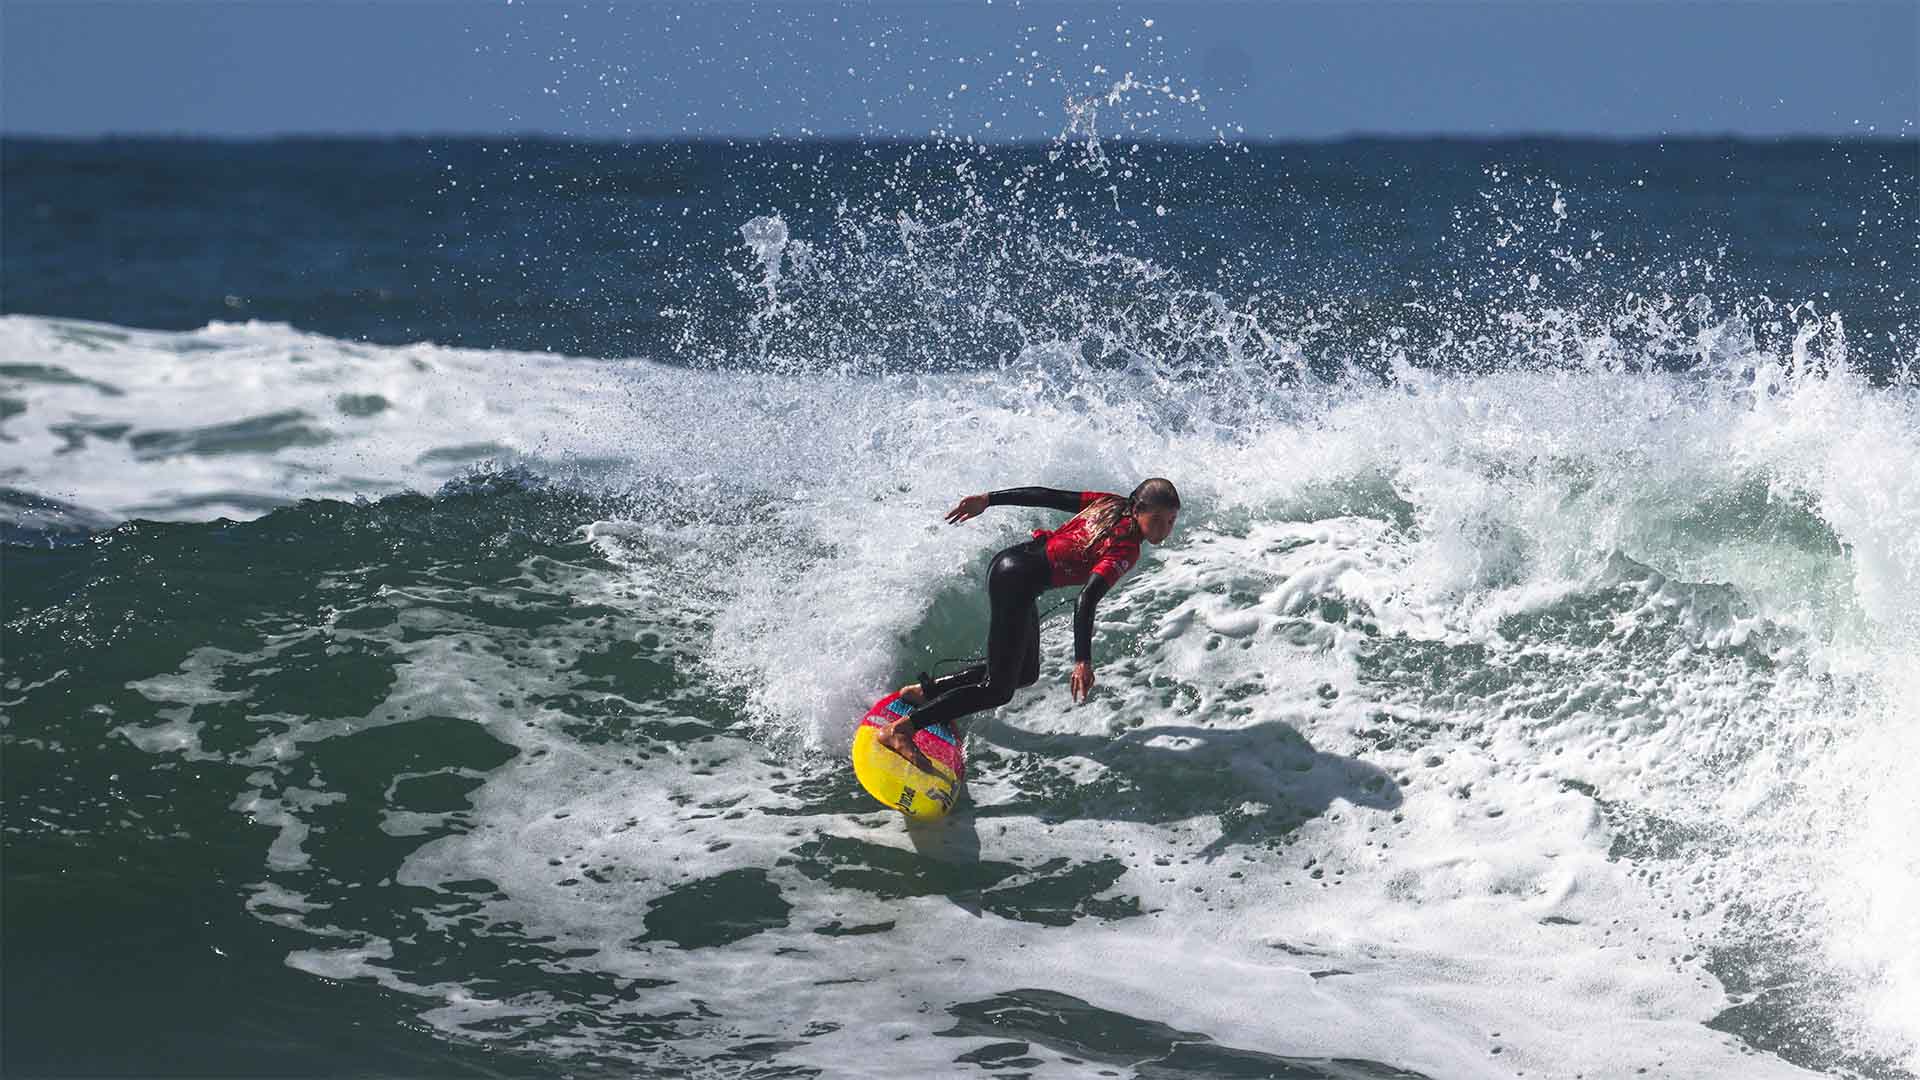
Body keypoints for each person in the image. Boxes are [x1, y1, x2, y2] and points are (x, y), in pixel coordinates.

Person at [874, 478, 1181, 767]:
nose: (1165, 529)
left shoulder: (1109, 503)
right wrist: (1083, 661)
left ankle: (924, 694)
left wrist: (989, 499)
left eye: (1170, 521)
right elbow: (1086, 600)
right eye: (1157, 520)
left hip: (1014, 566)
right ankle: (900, 730)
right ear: (1138, 510)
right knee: (998, 689)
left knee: (1024, 672)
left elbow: (1046, 496)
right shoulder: (1126, 546)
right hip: (1015, 581)